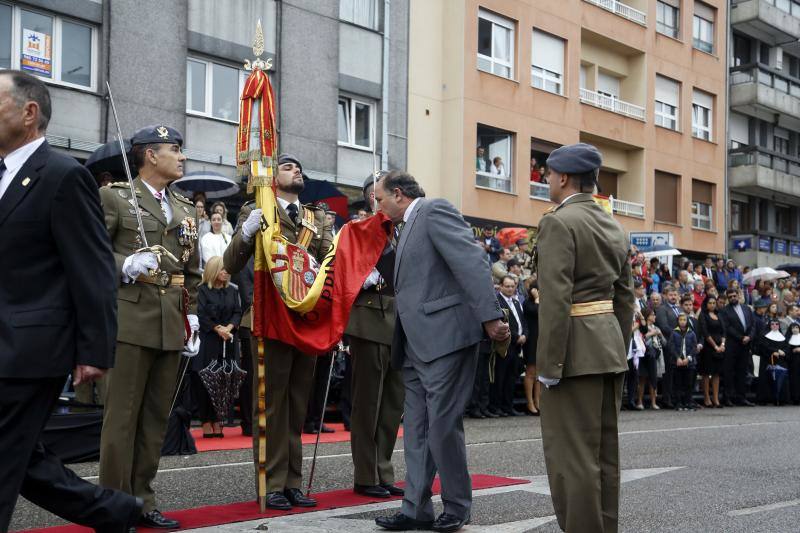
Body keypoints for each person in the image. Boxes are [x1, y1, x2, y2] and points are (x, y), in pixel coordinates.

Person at [0, 69, 142, 533]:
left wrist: (94, 350)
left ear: (28, 112)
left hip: (30, 349)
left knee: (4, 458)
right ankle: (114, 511)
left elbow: (93, 268)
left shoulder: (62, 176)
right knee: (21, 456)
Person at [372, 170, 509, 533]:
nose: (377, 206)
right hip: (416, 343)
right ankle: (415, 508)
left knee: (443, 428)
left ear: (399, 194)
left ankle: (457, 506)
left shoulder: (434, 211)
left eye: (380, 198)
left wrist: (490, 316)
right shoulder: (403, 227)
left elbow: (471, 261)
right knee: (416, 429)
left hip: (446, 338)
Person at [98, 123, 201, 529]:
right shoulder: (116, 197)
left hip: (170, 321)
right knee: (121, 419)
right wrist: (124, 265)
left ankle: (142, 499)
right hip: (130, 317)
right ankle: (113, 505)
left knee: (156, 418)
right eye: (174, 149)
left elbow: (189, 270)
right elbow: (91, 253)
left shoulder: (184, 207)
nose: (182, 156)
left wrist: (192, 314)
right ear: (150, 155)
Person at [223, 153, 333, 510]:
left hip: (304, 319)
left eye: (299, 167)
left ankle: (292, 482)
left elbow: (327, 266)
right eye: (287, 167)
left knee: (298, 403)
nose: (296, 170)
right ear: (272, 180)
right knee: (270, 404)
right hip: (269, 316)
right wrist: (248, 230)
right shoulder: (255, 210)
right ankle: (271, 482)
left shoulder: (316, 218)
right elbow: (230, 263)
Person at [535, 143, 635, 533]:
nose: (545, 180)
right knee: (604, 454)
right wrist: (615, 346)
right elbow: (625, 298)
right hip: (608, 349)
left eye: (547, 174)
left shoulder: (558, 222)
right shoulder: (613, 224)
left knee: (571, 457)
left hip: (574, 354)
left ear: (562, 178)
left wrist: (549, 364)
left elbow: (556, 300)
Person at [346, 173, 405, 499]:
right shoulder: (357, 231)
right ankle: (365, 475)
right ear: (372, 199)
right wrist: (363, 275)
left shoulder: (403, 230)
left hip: (398, 319)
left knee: (393, 404)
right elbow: (341, 267)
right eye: (381, 197)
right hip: (369, 319)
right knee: (368, 403)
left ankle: (383, 470)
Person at [193, 256, 242, 437]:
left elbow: (237, 311)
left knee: (224, 381)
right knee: (205, 381)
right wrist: (217, 329)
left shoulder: (232, 290)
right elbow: (201, 314)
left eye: (227, 269)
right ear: (213, 270)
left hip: (227, 341)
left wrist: (228, 328)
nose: (226, 272)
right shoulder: (202, 290)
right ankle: (206, 420)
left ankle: (219, 419)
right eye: (222, 269)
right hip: (209, 341)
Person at [491, 275, 527, 417]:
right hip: (504, 346)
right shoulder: (497, 302)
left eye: (513, 286)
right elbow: (500, 323)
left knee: (511, 379)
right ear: (500, 286)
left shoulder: (517, 302)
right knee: (500, 378)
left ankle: (508, 406)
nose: (510, 289)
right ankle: (496, 407)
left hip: (517, 348)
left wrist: (525, 335)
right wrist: (517, 337)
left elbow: (523, 323)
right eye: (507, 286)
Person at [718, 289, 756, 407]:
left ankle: (742, 397)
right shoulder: (724, 311)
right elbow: (727, 327)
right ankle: (728, 397)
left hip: (745, 345)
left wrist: (749, 337)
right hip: (732, 345)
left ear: (738, 296)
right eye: (730, 297)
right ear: (728, 298)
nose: (733, 298)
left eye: (734, 296)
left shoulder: (747, 309)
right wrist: (741, 337)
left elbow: (753, 325)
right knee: (729, 372)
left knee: (742, 371)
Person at [698, 296, 726, 408]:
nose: (713, 305)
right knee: (706, 373)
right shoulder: (703, 315)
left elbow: (724, 331)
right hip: (708, 348)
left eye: (714, 303)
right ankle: (707, 398)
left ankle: (715, 398)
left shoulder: (719, 315)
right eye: (710, 303)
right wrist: (715, 346)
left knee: (716, 374)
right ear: (706, 304)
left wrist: (722, 345)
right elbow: (705, 332)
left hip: (720, 346)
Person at [656, 286, 681, 408]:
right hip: (669, 344)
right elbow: (663, 326)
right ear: (665, 296)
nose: (673, 297)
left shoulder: (679, 309)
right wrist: (678, 335)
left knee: (677, 373)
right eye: (671, 295)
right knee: (668, 373)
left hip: (680, 344)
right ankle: (667, 399)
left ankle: (676, 397)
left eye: (675, 295)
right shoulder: (662, 309)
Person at [670, 313, 699, 411]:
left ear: (687, 321)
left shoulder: (691, 333)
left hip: (689, 363)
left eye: (684, 320)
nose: (682, 321)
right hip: (677, 362)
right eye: (680, 320)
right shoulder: (674, 332)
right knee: (677, 383)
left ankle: (688, 402)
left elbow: (694, 347)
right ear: (678, 321)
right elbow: (672, 346)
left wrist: (689, 358)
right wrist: (677, 357)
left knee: (689, 384)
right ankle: (678, 403)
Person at [638, 309, 664, 410]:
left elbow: (665, 342)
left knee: (653, 379)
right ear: (647, 316)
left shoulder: (656, 328)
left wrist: (660, 334)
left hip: (655, 355)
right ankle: (640, 401)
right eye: (653, 315)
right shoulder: (643, 327)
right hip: (644, 355)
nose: (654, 317)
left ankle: (653, 402)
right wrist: (651, 333)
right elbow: (640, 338)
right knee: (642, 378)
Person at [522, 282, 541, 416]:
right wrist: (537, 299)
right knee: (531, 372)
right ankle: (530, 403)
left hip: (541, 340)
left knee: (539, 375)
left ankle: (538, 401)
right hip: (531, 341)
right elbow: (536, 311)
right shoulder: (528, 303)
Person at [626, 315, 645, 410]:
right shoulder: (624, 318)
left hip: (636, 350)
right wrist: (635, 327)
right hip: (625, 348)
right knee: (624, 376)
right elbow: (626, 332)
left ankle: (631, 401)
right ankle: (620, 402)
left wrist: (641, 316)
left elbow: (644, 329)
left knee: (634, 377)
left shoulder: (637, 319)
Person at [786, 323, 800, 405]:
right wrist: (793, 351)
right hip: (793, 363)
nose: (795, 329)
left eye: (797, 327)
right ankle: (795, 398)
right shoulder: (787, 339)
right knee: (794, 380)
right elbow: (786, 350)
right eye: (793, 328)